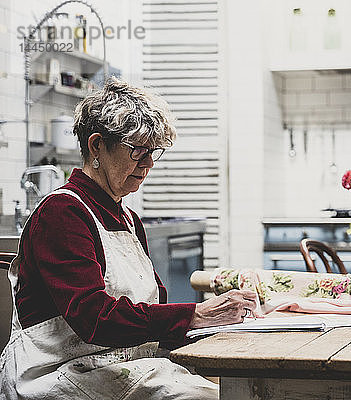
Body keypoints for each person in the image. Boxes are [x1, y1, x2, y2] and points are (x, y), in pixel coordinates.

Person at [0, 77, 258, 399]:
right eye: (137, 150)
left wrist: (215, 329)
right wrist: (196, 314)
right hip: (59, 376)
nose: (148, 164)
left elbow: (152, 310)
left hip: (121, 366)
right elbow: (94, 317)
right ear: (96, 145)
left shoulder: (127, 219)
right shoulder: (62, 213)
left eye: (153, 152)